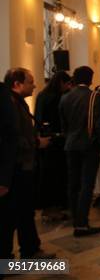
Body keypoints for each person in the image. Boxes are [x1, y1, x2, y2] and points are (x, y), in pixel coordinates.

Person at [1, 68, 55, 259]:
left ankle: (30, 249)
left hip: (22, 167)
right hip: (16, 169)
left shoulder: (16, 103)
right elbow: (11, 138)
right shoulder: (9, 104)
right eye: (31, 81)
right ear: (17, 84)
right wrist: (36, 142)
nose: (35, 85)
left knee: (24, 212)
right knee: (10, 217)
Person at [59, 65, 100, 237]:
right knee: (87, 184)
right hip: (88, 146)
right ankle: (82, 224)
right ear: (89, 79)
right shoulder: (95, 97)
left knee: (73, 184)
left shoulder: (65, 97)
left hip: (70, 145)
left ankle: (76, 219)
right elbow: (99, 124)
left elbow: (63, 124)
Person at [34, 70, 72, 221]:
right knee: (55, 177)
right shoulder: (58, 97)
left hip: (44, 140)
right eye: (67, 84)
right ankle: (53, 209)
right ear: (61, 83)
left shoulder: (42, 95)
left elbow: (38, 118)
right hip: (56, 142)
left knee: (47, 177)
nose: (68, 87)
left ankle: (48, 209)